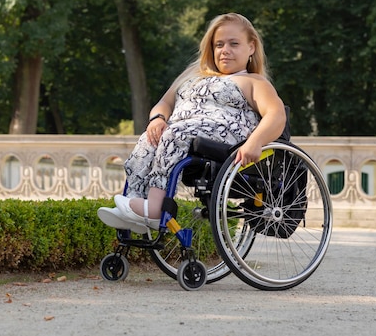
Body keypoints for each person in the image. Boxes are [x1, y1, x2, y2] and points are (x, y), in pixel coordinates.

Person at [97, 13, 287, 233]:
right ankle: (133, 204)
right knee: (150, 138)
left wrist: (255, 142)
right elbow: (164, 103)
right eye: (219, 44)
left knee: (174, 133)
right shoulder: (194, 76)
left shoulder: (254, 81)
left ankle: (156, 208)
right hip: (181, 132)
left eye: (234, 44)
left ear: (251, 47)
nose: (225, 50)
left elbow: (276, 115)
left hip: (222, 137)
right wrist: (157, 119)